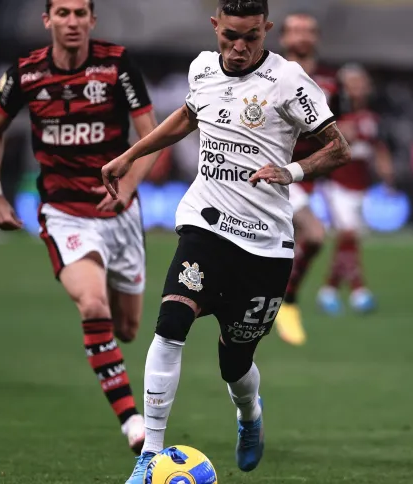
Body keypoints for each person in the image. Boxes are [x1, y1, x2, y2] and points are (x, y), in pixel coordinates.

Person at [98, 1, 351, 481]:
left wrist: (290, 170)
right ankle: (149, 454)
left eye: (251, 37)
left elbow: (340, 148)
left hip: (265, 245)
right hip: (205, 225)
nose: (238, 48)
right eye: (230, 36)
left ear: (266, 30)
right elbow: (188, 118)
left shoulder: (290, 82)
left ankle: (250, 414)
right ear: (215, 26)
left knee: (234, 364)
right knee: (171, 324)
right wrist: (129, 157)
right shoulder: (202, 69)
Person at [0, 0, 160, 455]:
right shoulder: (25, 74)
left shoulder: (117, 65)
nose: (72, 21)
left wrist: (127, 186)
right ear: (48, 21)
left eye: (80, 13)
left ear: (92, 20)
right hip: (66, 213)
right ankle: (132, 423)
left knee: (128, 328)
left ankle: (113, 363)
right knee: (92, 303)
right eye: (62, 13)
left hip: (120, 213)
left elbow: (150, 136)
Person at [272, 11, 342, 346]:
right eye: (295, 30)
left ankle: (280, 299)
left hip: (317, 175)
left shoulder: (330, 83)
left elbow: (340, 127)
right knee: (314, 235)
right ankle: (286, 300)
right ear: (283, 38)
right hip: (280, 170)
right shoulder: (269, 74)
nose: (301, 36)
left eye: (308, 31)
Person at [318, 63, 393, 314]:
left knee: (348, 241)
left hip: (361, 185)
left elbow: (377, 147)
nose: (359, 89)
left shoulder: (371, 118)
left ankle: (328, 290)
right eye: (353, 84)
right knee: (348, 235)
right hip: (336, 183)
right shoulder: (332, 115)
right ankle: (360, 291)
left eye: (362, 83)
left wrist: (386, 171)